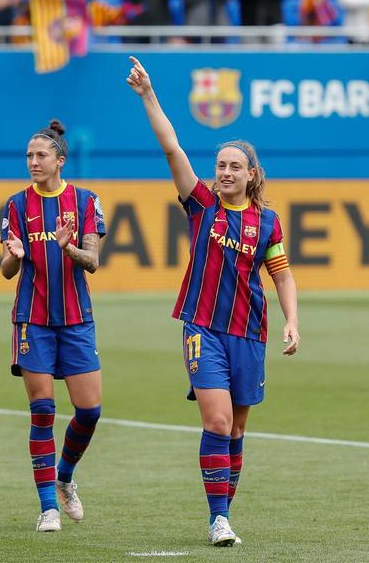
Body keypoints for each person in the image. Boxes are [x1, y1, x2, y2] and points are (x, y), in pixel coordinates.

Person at [126, 56, 300, 546]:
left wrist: (292, 321)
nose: (224, 172)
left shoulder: (267, 223)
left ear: (252, 175)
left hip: (250, 332)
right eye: (220, 165)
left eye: (234, 167)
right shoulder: (201, 205)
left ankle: (224, 511)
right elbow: (172, 147)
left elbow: (283, 276)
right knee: (218, 421)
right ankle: (218, 519)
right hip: (202, 328)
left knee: (238, 430)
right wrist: (148, 96)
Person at [0, 120, 106, 532]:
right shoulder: (15, 204)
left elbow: (93, 262)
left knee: (90, 411)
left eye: (41, 155)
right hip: (33, 318)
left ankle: (65, 476)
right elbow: (8, 271)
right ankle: (48, 507)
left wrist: (69, 246)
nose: (33, 162)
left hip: (77, 318)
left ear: (60, 160)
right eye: (29, 155)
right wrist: (16, 254)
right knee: (43, 409)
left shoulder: (85, 201)